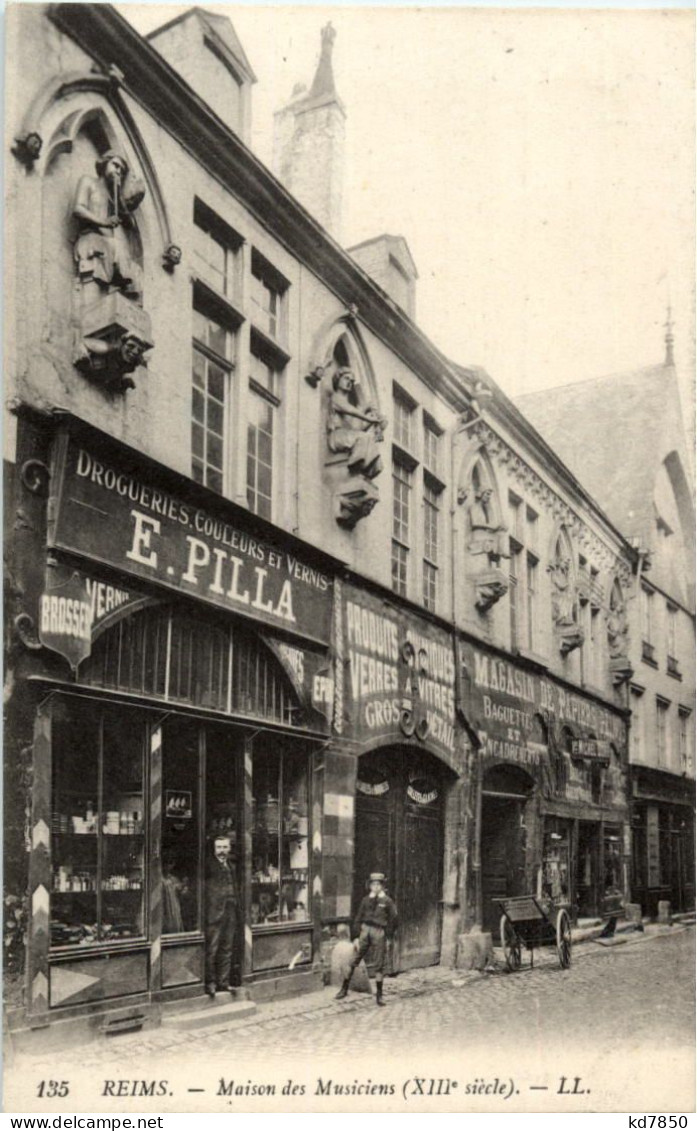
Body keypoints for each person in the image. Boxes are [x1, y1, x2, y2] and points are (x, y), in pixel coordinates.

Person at [72, 150, 144, 296]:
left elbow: (130, 224)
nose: (118, 171)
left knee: (133, 273)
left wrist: (120, 196)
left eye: (122, 171)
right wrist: (103, 222)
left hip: (109, 246)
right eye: (115, 165)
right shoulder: (88, 181)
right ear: (105, 164)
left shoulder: (113, 198)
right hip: (92, 240)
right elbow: (78, 209)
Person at [335, 872, 398, 1007]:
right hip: (365, 931)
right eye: (373, 884)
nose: (375, 887)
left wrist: (388, 936)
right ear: (370, 886)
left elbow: (394, 920)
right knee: (353, 960)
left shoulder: (387, 901)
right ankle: (344, 989)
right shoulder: (365, 900)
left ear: (382, 886)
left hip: (378, 931)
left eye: (378, 884)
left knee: (379, 964)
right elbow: (357, 918)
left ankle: (379, 996)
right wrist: (356, 937)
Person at [327, 369, 386, 480]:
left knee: (367, 439)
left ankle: (367, 468)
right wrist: (366, 416)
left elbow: (356, 428)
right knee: (364, 437)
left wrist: (373, 421)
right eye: (346, 378)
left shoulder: (347, 403)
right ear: (337, 380)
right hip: (337, 436)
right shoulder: (336, 398)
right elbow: (351, 410)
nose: (349, 382)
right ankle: (355, 464)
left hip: (347, 434)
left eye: (352, 381)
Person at [205, 835, 238, 996]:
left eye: (225, 847)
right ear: (214, 849)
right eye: (218, 847)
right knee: (212, 949)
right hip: (214, 913)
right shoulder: (208, 866)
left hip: (230, 912)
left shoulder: (232, 866)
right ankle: (210, 983)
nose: (222, 851)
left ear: (229, 848)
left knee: (227, 947)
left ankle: (223, 982)